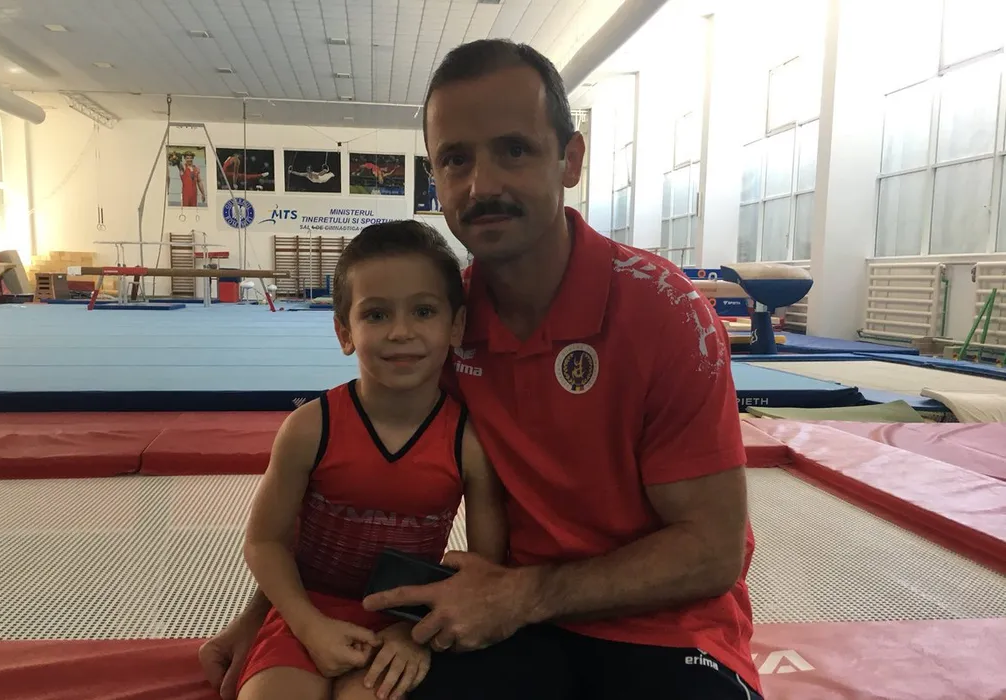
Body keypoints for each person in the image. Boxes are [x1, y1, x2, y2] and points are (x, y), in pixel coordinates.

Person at [201, 38, 762, 700]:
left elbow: (713, 550)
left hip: (664, 631)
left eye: (514, 150)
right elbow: (335, 497)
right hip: (506, 626)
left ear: (570, 159)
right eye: (456, 159)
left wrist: (524, 595)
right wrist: (262, 618)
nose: (482, 185)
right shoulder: (443, 329)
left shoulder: (666, 313)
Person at [233, 220, 508, 700]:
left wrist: (416, 633)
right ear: (344, 332)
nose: (401, 332)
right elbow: (264, 541)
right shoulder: (309, 429)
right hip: (307, 611)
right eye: (377, 315)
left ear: (456, 325)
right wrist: (307, 624)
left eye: (423, 311)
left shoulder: (468, 442)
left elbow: (483, 566)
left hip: (403, 621)